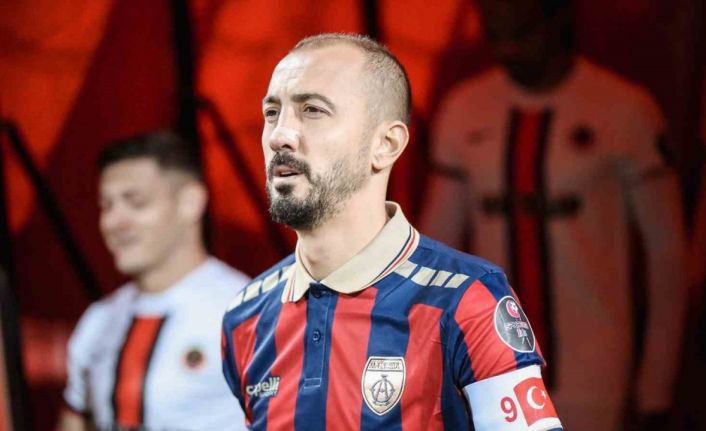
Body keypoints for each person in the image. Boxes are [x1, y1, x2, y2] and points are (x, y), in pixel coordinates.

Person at [221, 33, 563, 431]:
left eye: (312, 110)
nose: (280, 135)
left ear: (386, 144)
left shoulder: (467, 299)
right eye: (272, 112)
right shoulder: (244, 316)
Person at [420, 1, 689, 430]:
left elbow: (667, 254)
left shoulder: (624, 108)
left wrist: (655, 385)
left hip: (596, 369)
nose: (507, 49)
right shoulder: (463, 108)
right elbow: (436, 250)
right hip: (491, 368)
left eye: (521, 33)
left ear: (557, 18)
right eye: (495, 36)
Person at [57, 131, 250, 430]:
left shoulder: (246, 312)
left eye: (136, 202)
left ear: (190, 202)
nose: (114, 221)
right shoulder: (98, 320)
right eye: (106, 205)